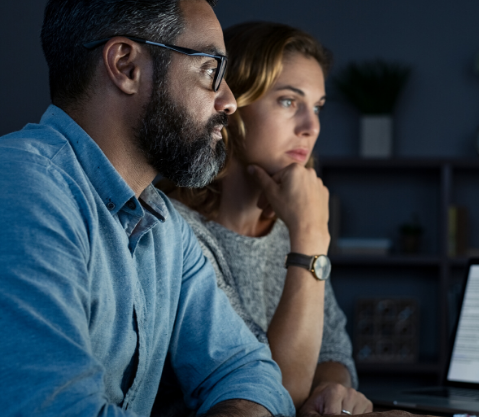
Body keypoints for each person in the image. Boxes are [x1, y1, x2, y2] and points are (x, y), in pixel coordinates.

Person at [0, 1, 296, 416]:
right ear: (126, 66)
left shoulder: (165, 228)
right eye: (211, 70)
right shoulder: (22, 188)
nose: (229, 102)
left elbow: (245, 369)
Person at [167, 21, 372, 415]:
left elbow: (333, 351)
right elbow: (274, 393)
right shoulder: (174, 229)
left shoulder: (287, 228)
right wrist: (311, 239)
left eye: (317, 107)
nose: (311, 127)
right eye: (288, 101)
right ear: (233, 101)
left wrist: (332, 389)